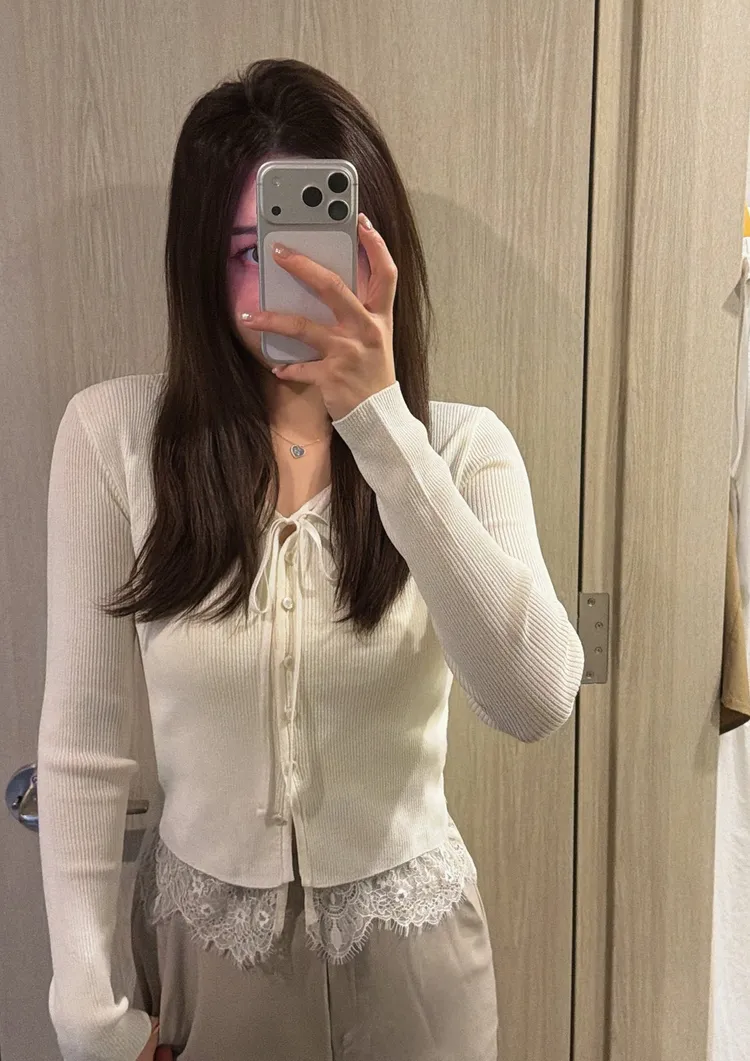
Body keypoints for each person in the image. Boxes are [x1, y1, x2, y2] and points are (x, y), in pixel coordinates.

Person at [36, 57, 585, 1061]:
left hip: (417, 966)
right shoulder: (112, 441)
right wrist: (88, 1012)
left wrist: (381, 425)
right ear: (200, 265)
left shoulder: (461, 448)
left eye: (311, 247)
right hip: (205, 958)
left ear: (377, 252)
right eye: (247, 252)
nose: (280, 286)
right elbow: (84, 742)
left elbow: (536, 696)